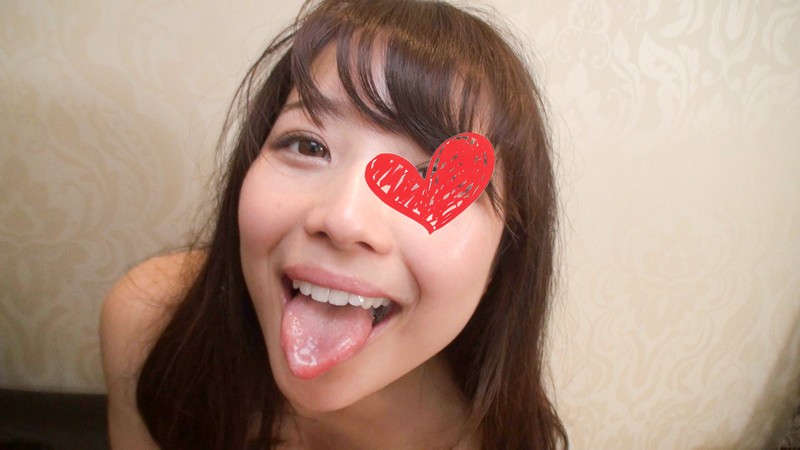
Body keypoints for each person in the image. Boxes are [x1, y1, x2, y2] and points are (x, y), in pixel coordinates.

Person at [100, 0, 567, 448]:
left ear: (507, 249)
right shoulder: (147, 323)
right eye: (308, 145)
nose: (344, 220)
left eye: (430, 175)